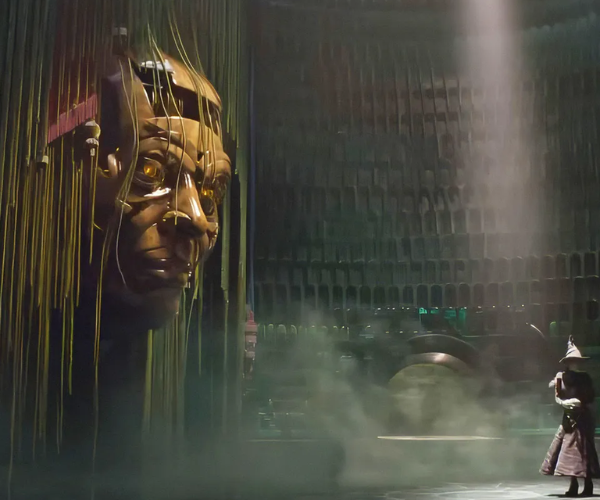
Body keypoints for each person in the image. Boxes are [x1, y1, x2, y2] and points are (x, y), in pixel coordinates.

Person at [540, 335, 600, 497]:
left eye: (577, 361)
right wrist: (564, 402)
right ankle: (573, 485)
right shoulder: (560, 377)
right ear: (567, 362)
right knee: (569, 452)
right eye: (572, 360)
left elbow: (590, 397)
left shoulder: (585, 378)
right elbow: (557, 396)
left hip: (583, 418)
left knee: (584, 451)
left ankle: (588, 485)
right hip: (569, 419)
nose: (575, 363)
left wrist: (578, 402)